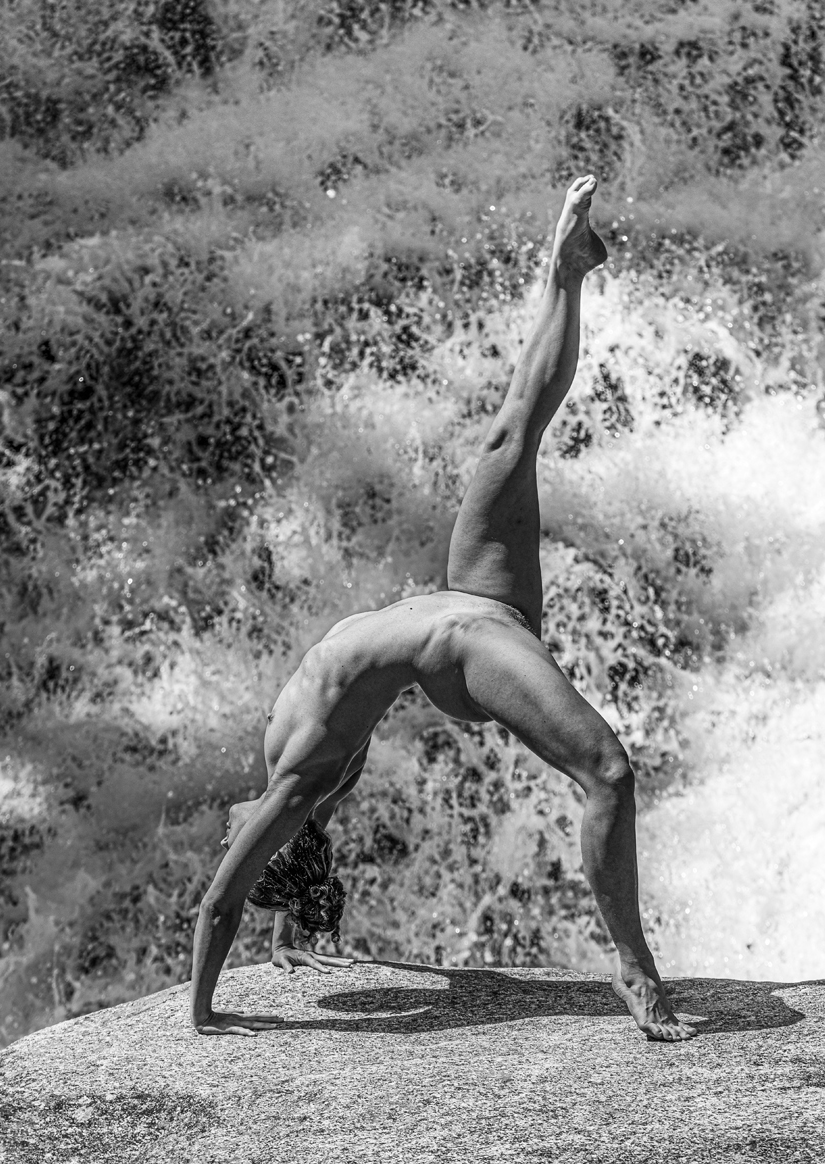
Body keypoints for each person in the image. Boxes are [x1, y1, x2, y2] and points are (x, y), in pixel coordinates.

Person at [191, 175, 700, 1042]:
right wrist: (205, 1014)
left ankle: (567, 267)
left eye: (246, 835)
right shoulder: (299, 773)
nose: (232, 830)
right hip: (466, 644)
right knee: (608, 773)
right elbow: (220, 901)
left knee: (512, 431)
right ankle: (635, 971)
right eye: (253, 838)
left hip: (473, 597)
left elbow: (282, 839)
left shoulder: (296, 760)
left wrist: (282, 940)